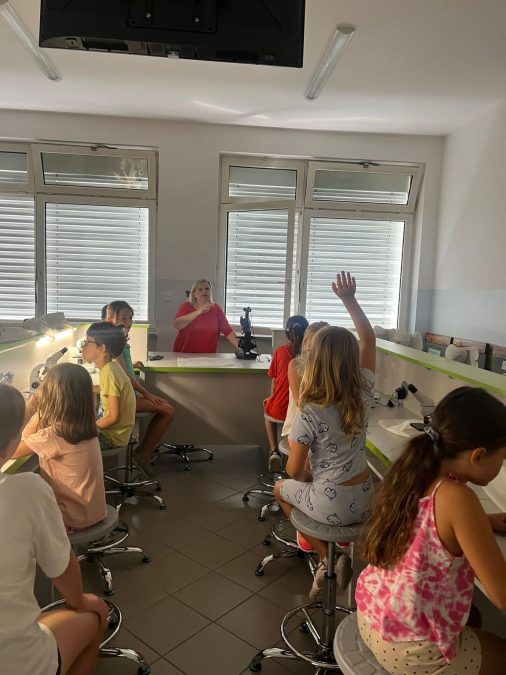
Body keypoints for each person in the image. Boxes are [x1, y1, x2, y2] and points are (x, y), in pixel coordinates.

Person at [355, 387, 506, 675]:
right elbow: (502, 595)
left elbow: (429, 522)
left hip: (371, 617)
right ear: (478, 455)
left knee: (474, 615)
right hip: (410, 652)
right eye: (504, 457)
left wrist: (482, 522)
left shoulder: (417, 471)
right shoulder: (459, 499)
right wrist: (475, 520)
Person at [274, 272, 376, 600]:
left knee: (280, 489)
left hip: (330, 502)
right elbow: (369, 340)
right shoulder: (365, 392)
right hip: (367, 500)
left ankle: (325, 557)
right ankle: (337, 552)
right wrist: (349, 300)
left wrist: (310, 479)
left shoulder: (311, 411)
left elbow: (294, 471)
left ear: (313, 362)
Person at [0, 383, 108, 675]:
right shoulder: (26, 490)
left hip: (76, 515)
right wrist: (80, 601)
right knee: (96, 614)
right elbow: (62, 568)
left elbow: (25, 439)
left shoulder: (52, 435)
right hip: (18, 663)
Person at [11, 363, 107, 532]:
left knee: (17, 509)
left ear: (52, 397)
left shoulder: (54, 435)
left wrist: (32, 408)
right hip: (93, 511)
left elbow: (11, 449)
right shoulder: (84, 426)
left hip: (71, 519)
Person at [107, 300, 175, 476]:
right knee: (168, 410)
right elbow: (125, 376)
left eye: (130, 318)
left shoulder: (120, 339)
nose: (128, 322)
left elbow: (122, 367)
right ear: (111, 319)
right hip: (124, 399)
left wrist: (133, 364)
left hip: (129, 395)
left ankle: (143, 451)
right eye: (124, 318)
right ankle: (143, 455)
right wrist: (147, 394)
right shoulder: (115, 342)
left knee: (166, 406)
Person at [81, 322, 136, 451]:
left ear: (102, 348)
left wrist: (88, 429)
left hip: (111, 437)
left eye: (87, 343)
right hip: (115, 433)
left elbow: (113, 417)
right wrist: (82, 388)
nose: (83, 347)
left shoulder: (110, 373)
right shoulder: (111, 368)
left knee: (69, 441)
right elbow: (105, 391)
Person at [265, 315, 309, 472]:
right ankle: (292, 457)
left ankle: (274, 450)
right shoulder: (312, 356)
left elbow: (274, 381)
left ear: (287, 333)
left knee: (267, 410)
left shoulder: (280, 351)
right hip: (302, 411)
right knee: (292, 421)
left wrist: (272, 398)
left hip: (280, 408)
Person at [172, 278, 239, 353]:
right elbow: (177, 325)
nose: (204, 291)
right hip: (183, 354)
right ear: (194, 293)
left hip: (207, 355)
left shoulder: (216, 309)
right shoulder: (186, 306)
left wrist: (240, 347)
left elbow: (228, 331)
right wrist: (198, 312)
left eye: (207, 289)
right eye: (200, 289)